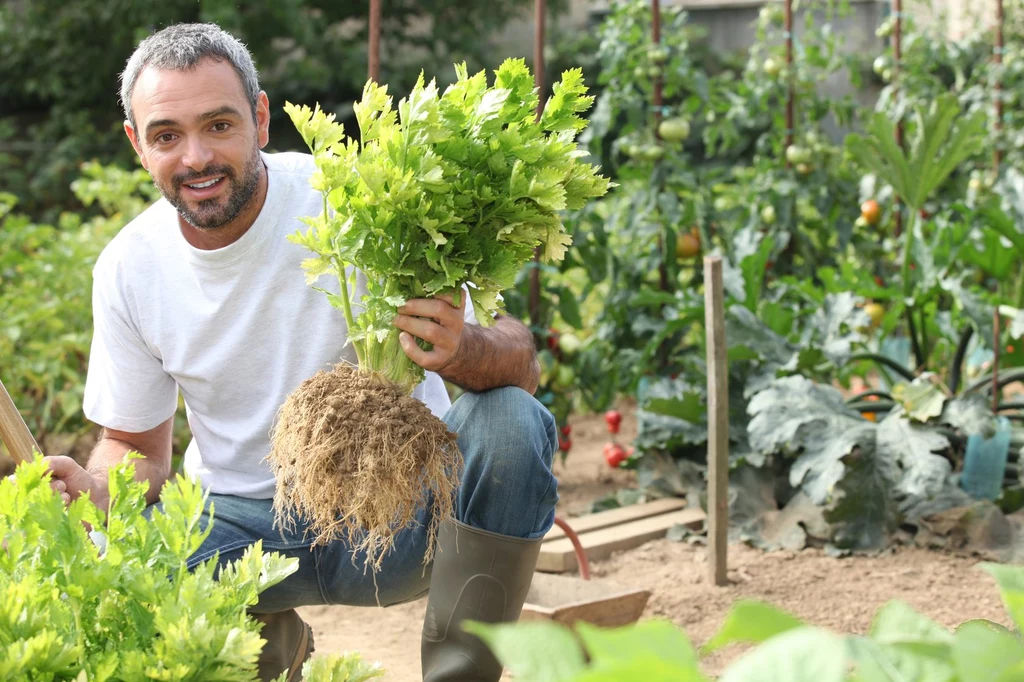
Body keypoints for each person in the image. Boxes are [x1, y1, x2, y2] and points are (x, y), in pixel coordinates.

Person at [43, 22, 558, 682]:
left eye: (219, 125)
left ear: (260, 118)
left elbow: (520, 358)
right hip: (236, 537)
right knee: (132, 566)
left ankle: (460, 674)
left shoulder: (357, 199)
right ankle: (264, 639)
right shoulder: (129, 267)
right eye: (167, 135)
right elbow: (137, 449)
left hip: (401, 516)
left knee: (513, 423)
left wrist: (460, 349)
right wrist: (94, 488)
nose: (196, 156)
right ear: (137, 145)